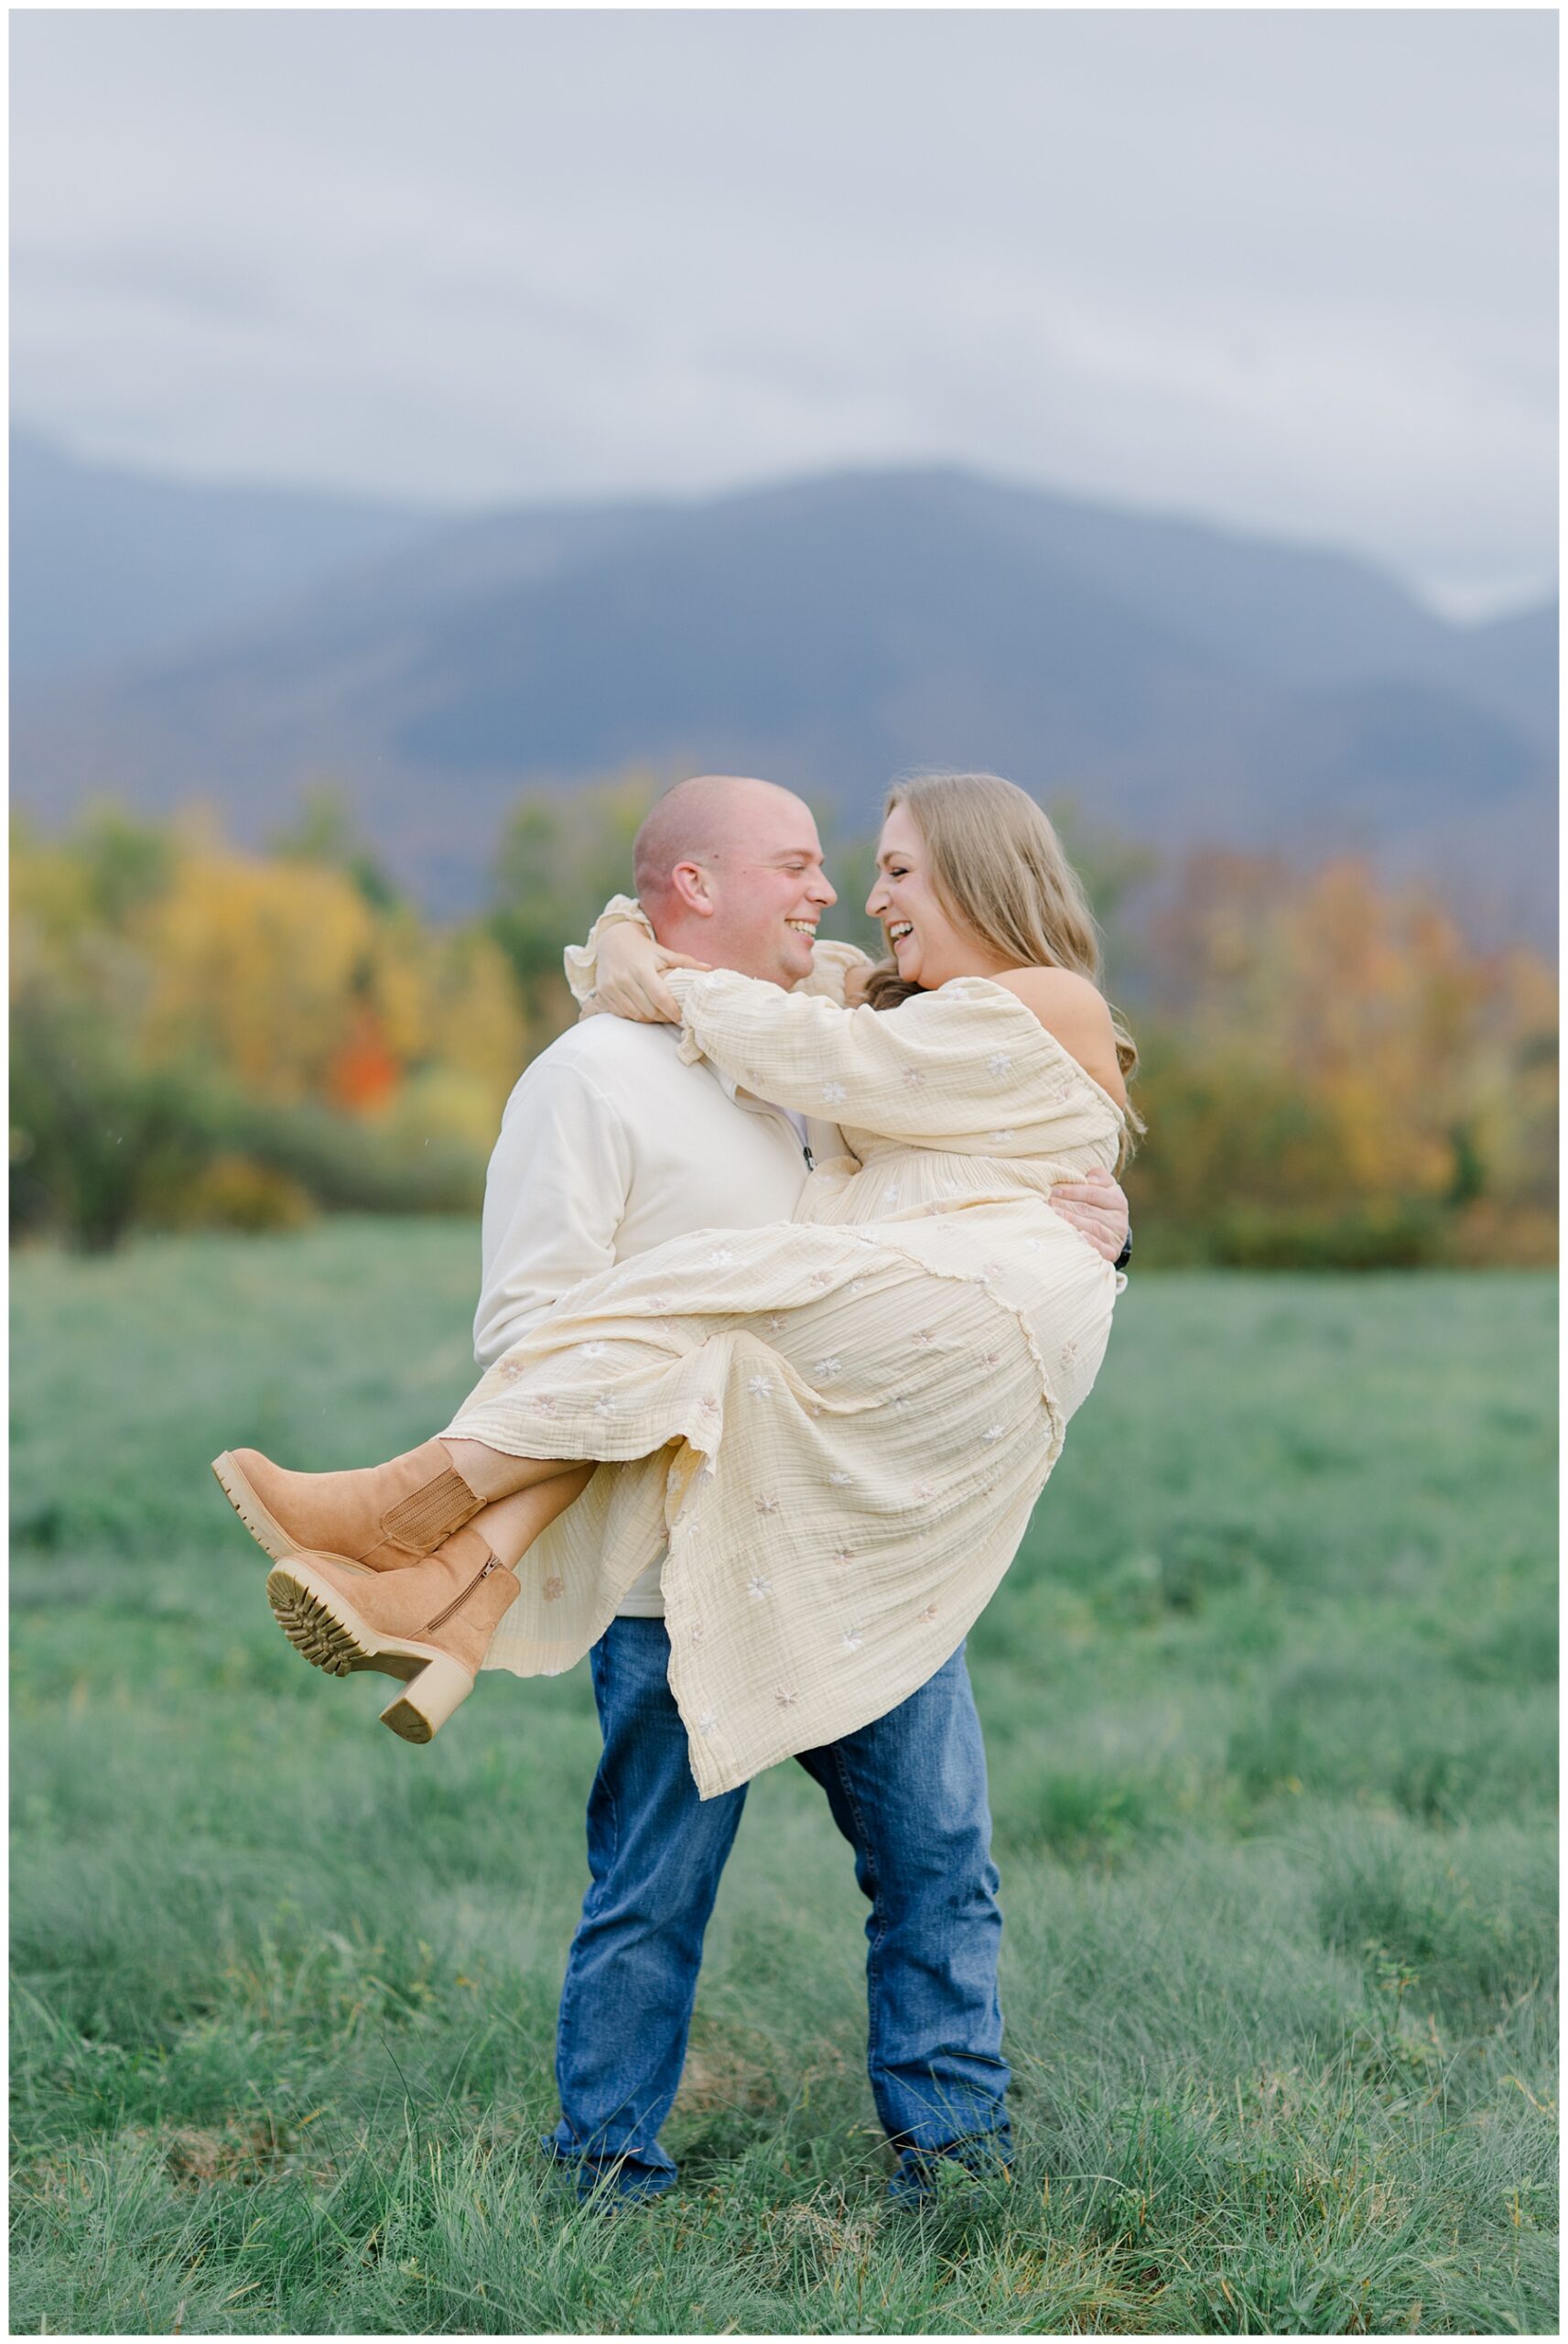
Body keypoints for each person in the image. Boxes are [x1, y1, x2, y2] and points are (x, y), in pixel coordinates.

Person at [214, 769, 1134, 2203]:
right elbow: (536, 1327)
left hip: (853, 1545)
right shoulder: (590, 1077)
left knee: (939, 1867)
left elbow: (960, 1201)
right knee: (651, 1890)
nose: (835, 892)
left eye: (868, 867)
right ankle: (605, 2171)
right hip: (668, 1558)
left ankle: (954, 2163)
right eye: (802, 862)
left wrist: (1098, 1224)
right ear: (695, 888)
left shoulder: (823, 1056)